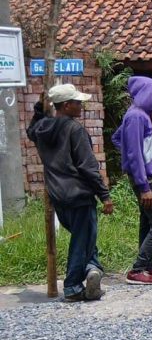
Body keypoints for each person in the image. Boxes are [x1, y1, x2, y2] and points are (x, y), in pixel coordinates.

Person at [27, 84, 115, 302]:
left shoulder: (42, 128)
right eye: (77, 102)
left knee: (84, 238)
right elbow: (88, 167)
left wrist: (38, 110)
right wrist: (104, 195)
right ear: (66, 106)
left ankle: (92, 270)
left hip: (58, 196)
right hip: (79, 195)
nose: (81, 105)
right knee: (81, 240)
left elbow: (31, 130)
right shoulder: (74, 130)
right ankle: (73, 286)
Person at [113, 76, 152, 286]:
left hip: (147, 176)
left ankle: (147, 266)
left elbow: (118, 139)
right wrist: (143, 184)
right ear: (147, 93)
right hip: (148, 179)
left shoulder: (137, 116)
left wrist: (129, 159)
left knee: (148, 223)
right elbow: (135, 154)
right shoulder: (137, 117)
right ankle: (137, 269)